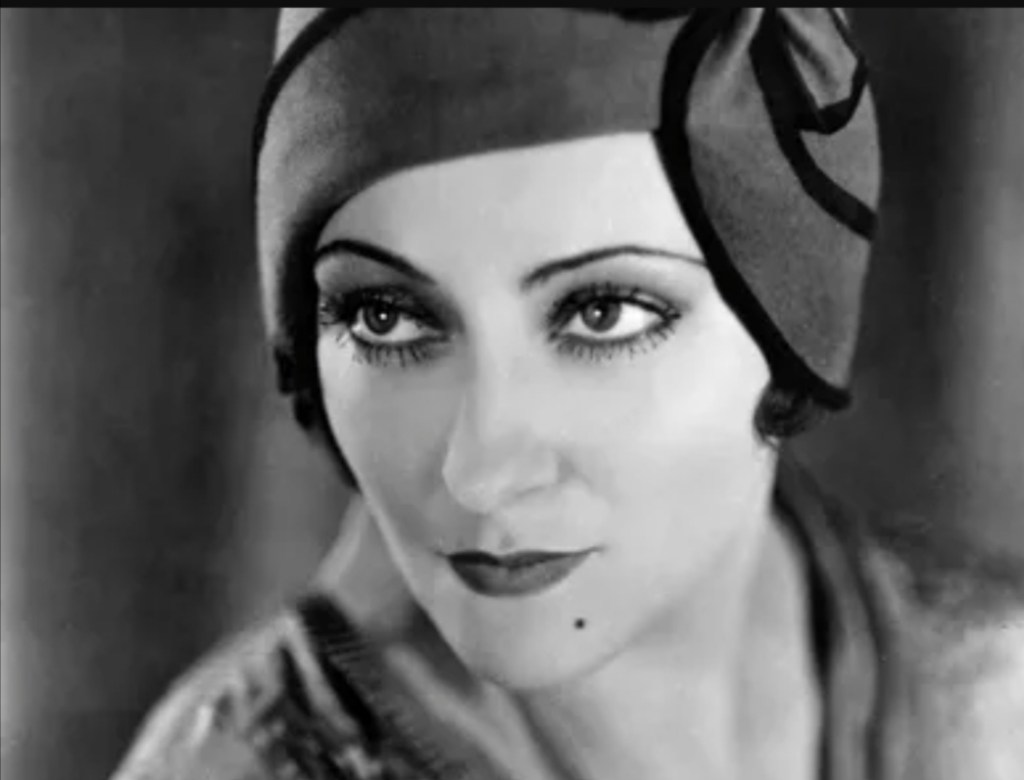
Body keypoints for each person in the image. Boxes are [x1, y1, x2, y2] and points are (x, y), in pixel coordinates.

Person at [112, 9, 1024, 780]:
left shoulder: (997, 688)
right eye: (384, 318)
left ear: (791, 325)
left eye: (602, 314)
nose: (480, 470)